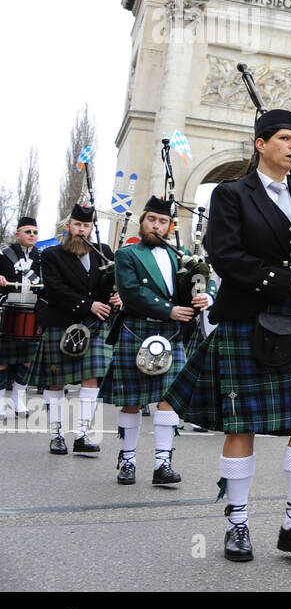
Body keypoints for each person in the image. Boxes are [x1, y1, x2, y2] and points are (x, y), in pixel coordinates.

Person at [165, 108, 291, 566]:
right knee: (240, 424)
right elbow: (224, 255)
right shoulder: (231, 194)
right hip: (248, 315)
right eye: (284, 137)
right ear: (260, 144)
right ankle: (237, 522)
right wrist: (285, 279)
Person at [100, 196, 210, 484]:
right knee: (132, 401)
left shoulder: (181, 255)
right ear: (143, 221)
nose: (156, 226)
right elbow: (133, 291)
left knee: (169, 401)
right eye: (152, 220)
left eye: (162, 221)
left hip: (171, 334)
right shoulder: (127, 255)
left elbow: (202, 276)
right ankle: (128, 460)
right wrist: (169, 309)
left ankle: (162, 463)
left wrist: (205, 294)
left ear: (169, 225)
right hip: (138, 329)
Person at [26, 205, 120, 455]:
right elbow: (55, 290)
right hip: (61, 321)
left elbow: (111, 284)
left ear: (91, 229)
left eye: (86, 226)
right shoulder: (52, 255)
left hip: (94, 325)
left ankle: (82, 434)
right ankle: (56, 434)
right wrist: (89, 304)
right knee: (55, 381)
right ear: (68, 227)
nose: (81, 230)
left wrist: (117, 295)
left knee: (92, 378)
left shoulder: (104, 253)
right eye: (77, 225)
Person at [1, 215, 43, 417]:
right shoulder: (4, 255)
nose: (32, 235)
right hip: (8, 309)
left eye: (35, 232)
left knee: (27, 359)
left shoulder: (42, 257)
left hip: (32, 311)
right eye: (28, 232)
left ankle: (18, 397)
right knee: (2, 359)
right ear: (18, 234)